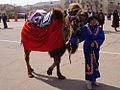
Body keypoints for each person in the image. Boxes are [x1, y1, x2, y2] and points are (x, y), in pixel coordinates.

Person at [79, 16, 105, 90]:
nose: (94, 21)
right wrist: (75, 39)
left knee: (96, 62)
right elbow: (81, 37)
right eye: (92, 20)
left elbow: (102, 38)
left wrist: (96, 42)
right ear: (89, 21)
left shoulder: (99, 29)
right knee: (88, 63)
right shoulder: (85, 28)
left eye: (95, 20)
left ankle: (94, 80)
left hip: (95, 48)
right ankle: (88, 81)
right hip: (87, 48)